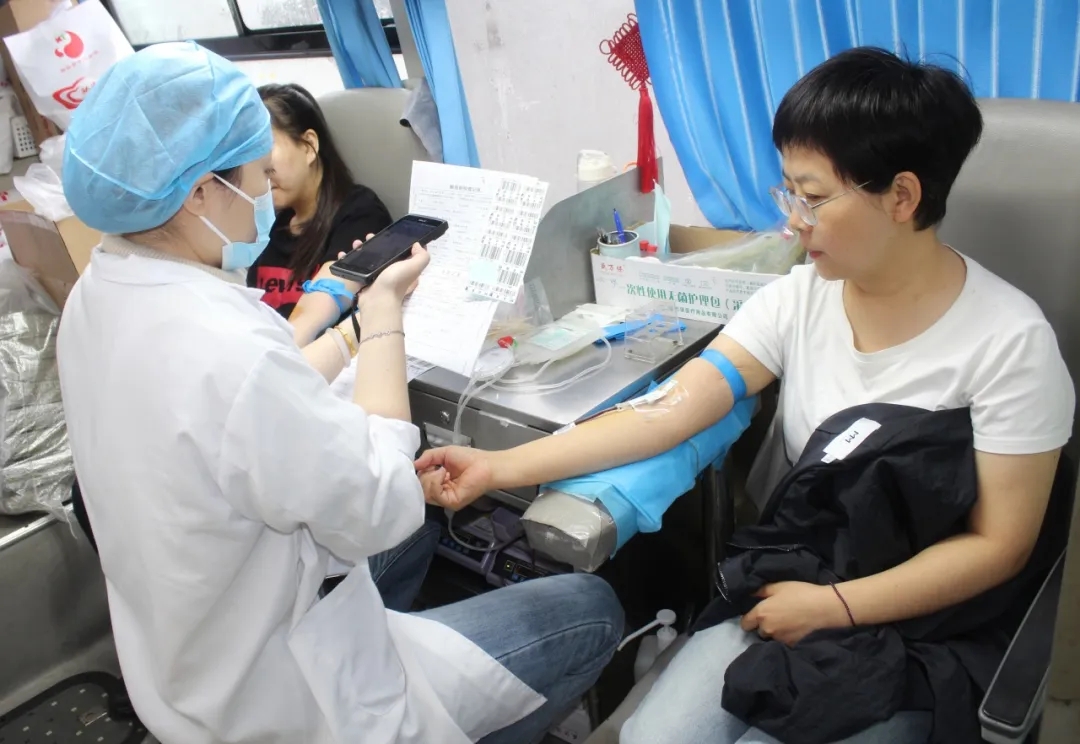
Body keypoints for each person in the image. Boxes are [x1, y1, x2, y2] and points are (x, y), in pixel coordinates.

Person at [417, 47, 1076, 744]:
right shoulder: (798, 300)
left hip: (922, 621)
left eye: (812, 197)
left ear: (902, 196)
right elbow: (668, 412)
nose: (793, 221)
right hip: (798, 576)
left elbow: (998, 546)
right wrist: (498, 467)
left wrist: (836, 607)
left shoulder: (1010, 344)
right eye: (787, 193)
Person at [57, 42, 622, 744]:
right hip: (285, 701)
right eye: (257, 176)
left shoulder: (101, 293)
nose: (264, 197)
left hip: (185, 664)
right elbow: (382, 505)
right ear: (199, 192)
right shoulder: (224, 346)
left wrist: (346, 327)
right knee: (590, 607)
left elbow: (247, 400)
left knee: (417, 543)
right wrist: (382, 317)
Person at [249, 83, 393, 345]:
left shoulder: (361, 215)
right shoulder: (267, 221)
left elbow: (316, 312)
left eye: (265, 149)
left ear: (308, 146)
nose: (257, 167)